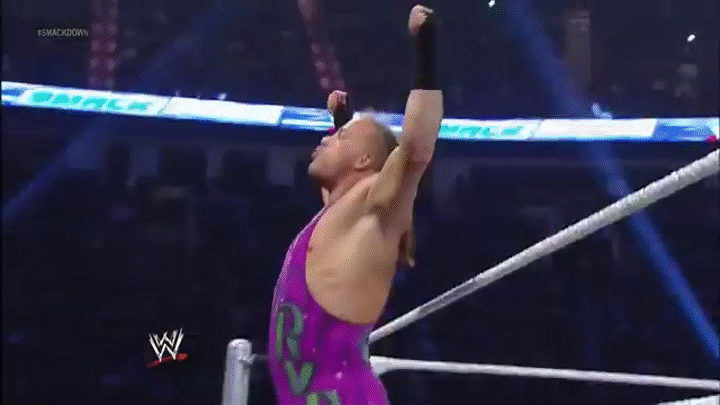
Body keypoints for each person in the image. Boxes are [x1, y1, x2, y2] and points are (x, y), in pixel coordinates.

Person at [268, 5, 443, 404]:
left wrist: (426, 48)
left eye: (340, 138)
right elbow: (340, 188)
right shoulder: (338, 209)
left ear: (365, 161)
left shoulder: (374, 207)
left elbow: (416, 149)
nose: (326, 139)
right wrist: (343, 122)